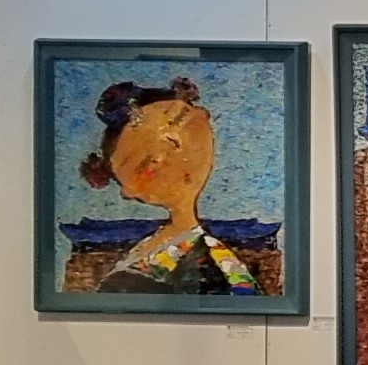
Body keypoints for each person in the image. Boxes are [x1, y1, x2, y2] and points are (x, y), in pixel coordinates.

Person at [77, 75, 255, 295]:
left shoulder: (214, 261)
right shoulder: (145, 269)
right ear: (130, 189)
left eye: (180, 119)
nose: (172, 150)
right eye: (146, 164)